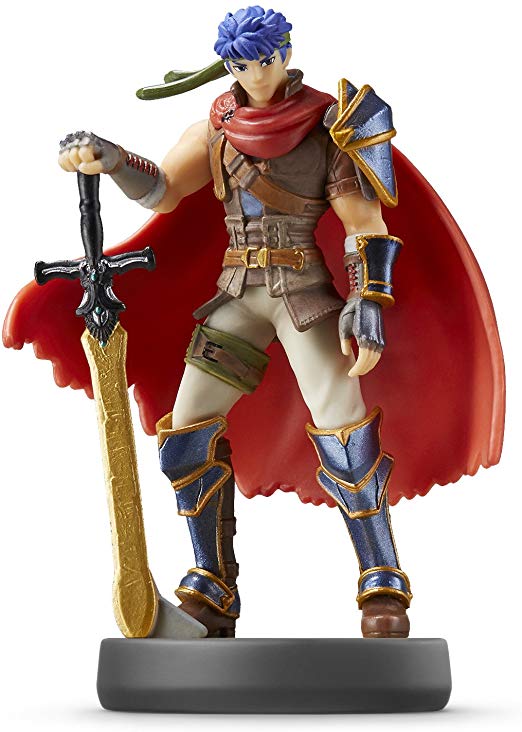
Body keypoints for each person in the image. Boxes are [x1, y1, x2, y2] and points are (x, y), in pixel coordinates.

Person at [13, 6, 502, 640]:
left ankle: (382, 579)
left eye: (266, 60)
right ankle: (213, 587)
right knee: (185, 434)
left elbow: (365, 225)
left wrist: (367, 301)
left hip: (304, 297)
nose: (257, 75)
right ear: (229, 66)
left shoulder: (331, 129)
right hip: (238, 297)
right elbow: (163, 190)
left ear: (286, 53)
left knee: (345, 432)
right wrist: (112, 159)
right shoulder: (216, 129)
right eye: (243, 64)